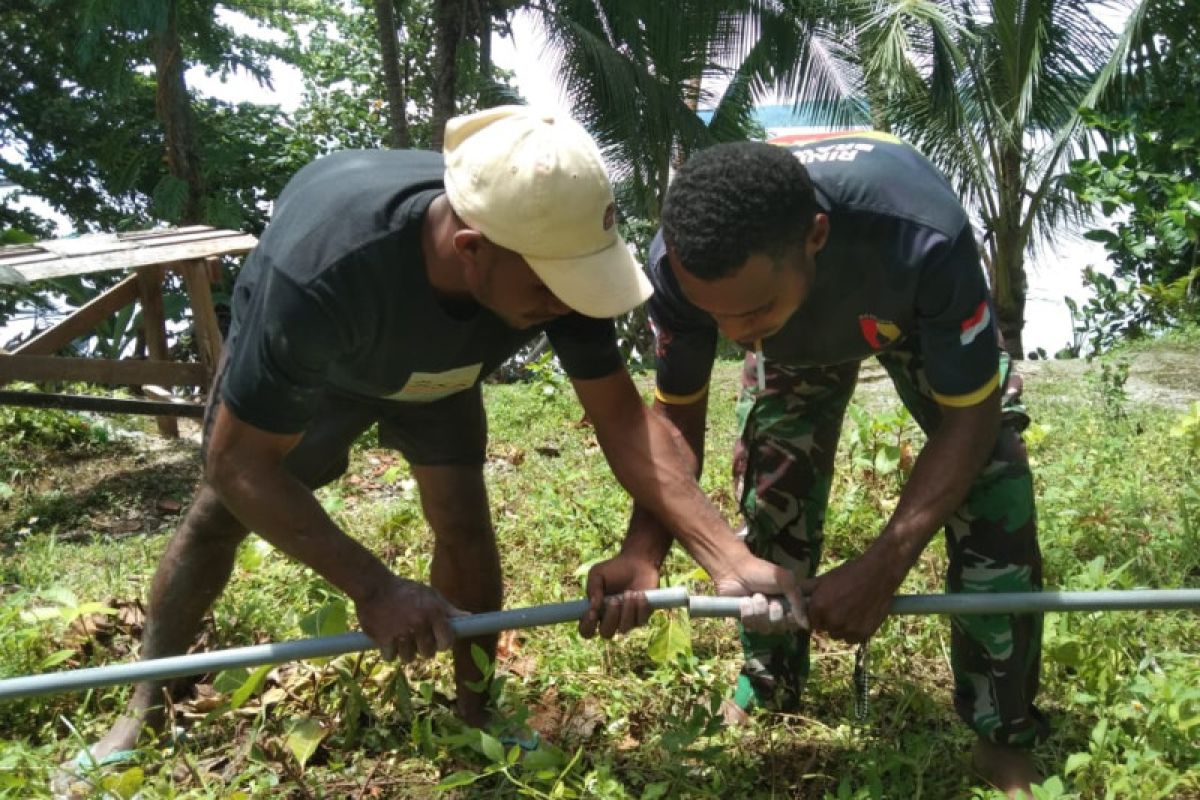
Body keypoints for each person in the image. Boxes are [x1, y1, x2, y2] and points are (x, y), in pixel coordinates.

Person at [74, 107, 805, 769]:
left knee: (464, 524)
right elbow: (238, 463)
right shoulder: (322, 277)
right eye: (550, 289)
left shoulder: (555, 258)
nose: (566, 306)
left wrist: (727, 559)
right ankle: (142, 708)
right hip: (332, 365)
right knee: (218, 513)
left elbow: (622, 420)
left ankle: (477, 714)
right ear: (470, 248)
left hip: (441, 375)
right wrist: (374, 587)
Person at [583, 136, 1045, 798]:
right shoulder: (679, 264)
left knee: (997, 488)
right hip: (796, 346)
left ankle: (1003, 733)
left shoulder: (921, 239)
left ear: (816, 237)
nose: (737, 334)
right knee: (772, 492)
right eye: (717, 316)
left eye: (752, 310)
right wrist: (643, 547)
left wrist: (886, 564)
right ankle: (770, 683)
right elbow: (673, 427)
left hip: (907, 317)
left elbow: (968, 419)